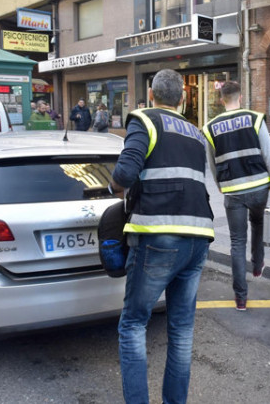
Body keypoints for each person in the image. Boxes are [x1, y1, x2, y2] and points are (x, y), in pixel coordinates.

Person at [109, 69, 214, 404]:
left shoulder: (145, 119)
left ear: (151, 96)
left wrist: (114, 188)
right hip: (198, 238)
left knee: (133, 325)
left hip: (159, 236)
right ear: (182, 100)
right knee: (181, 330)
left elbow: (125, 172)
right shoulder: (197, 134)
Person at [202, 81, 270, 311]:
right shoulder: (254, 118)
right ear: (240, 98)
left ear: (222, 100)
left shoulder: (210, 127)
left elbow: (211, 163)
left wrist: (220, 185)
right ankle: (258, 265)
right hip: (259, 188)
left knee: (237, 242)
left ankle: (240, 297)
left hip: (233, 192)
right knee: (258, 223)